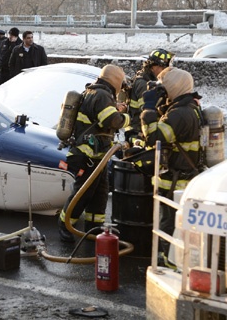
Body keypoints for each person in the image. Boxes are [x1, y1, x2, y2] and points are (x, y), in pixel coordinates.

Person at [57, 65, 130, 242]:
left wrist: (115, 107)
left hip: (97, 156)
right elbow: (111, 120)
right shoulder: (103, 95)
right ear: (115, 80)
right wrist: (126, 116)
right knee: (83, 193)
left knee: (100, 193)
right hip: (86, 155)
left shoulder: (95, 92)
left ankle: (93, 229)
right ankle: (64, 225)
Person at [140, 67, 202, 268]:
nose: (162, 92)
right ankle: (172, 260)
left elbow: (154, 137)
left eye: (164, 87)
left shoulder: (180, 113)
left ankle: (170, 266)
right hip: (184, 178)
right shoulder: (188, 107)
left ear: (174, 87)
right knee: (175, 223)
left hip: (175, 181)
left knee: (169, 224)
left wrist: (148, 109)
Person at [126, 48, 174, 144]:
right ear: (153, 67)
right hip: (139, 133)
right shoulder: (143, 83)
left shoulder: (152, 80)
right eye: (162, 67)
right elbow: (146, 111)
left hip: (145, 130)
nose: (165, 70)